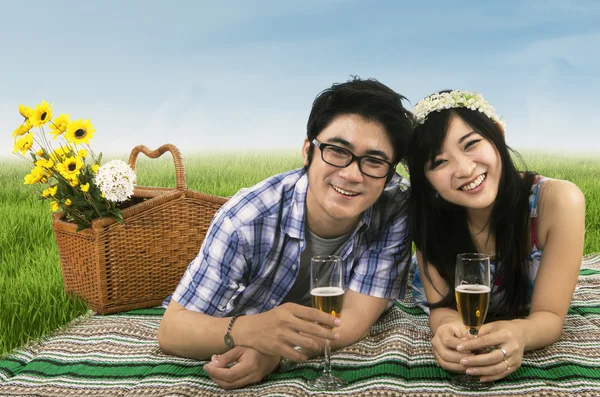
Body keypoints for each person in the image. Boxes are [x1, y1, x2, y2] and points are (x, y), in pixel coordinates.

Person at [157, 77, 414, 389]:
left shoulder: (395, 207)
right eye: (336, 151)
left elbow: (354, 317)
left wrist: (277, 353)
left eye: (374, 161)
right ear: (308, 151)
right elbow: (172, 330)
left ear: (389, 174)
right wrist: (250, 332)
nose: (351, 174)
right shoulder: (247, 219)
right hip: (238, 318)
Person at [407, 90, 585, 383]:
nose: (464, 170)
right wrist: (447, 332)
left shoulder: (557, 201)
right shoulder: (429, 216)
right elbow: (442, 310)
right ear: (425, 179)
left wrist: (521, 333)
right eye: (439, 162)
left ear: (498, 134)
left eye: (471, 144)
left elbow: (550, 315)